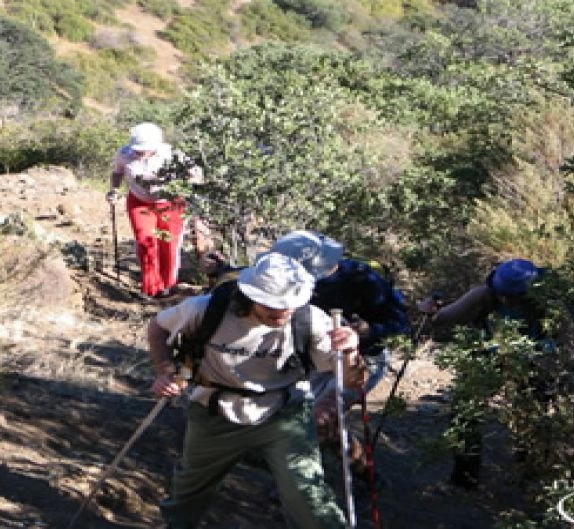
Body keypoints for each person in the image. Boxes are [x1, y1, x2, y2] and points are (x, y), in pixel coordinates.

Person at [147, 252, 364, 529]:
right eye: (272, 305)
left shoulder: (311, 320)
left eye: (289, 304)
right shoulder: (206, 309)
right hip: (213, 412)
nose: (282, 312)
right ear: (250, 295)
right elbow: (158, 327)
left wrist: (351, 352)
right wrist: (165, 369)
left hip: (284, 415)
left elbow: (353, 381)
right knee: (188, 491)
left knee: (308, 495)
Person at [269, 230, 411, 478]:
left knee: (319, 419)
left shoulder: (362, 279)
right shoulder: (289, 281)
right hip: (316, 358)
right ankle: (365, 473)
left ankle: (299, 484)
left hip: (362, 360)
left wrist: (369, 331)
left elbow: (401, 324)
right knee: (317, 421)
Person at [417, 258, 547, 489]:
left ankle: (530, 469)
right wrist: (431, 312)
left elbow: (569, 334)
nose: (506, 300)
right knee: (465, 412)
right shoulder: (484, 295)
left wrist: (546, 354)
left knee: (535, 412)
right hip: (489, 357)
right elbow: (445, 318)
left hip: (537, 359)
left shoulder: (550, 300)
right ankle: (465, 478)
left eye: (512, 297)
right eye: (502, 294)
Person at [108, 122, 202, 299]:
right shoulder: (124, 154)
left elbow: (196, 174)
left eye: (145, 150)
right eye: (138, 150)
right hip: (139, 202)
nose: (141, 153)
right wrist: (114, 190)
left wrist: (189, 183)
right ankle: (151, 289)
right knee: (145, 242)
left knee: (169, 245)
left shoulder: (172, 155)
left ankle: (168, 287)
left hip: (171, 204)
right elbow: (117, 172)